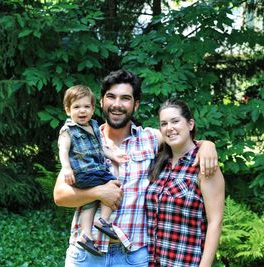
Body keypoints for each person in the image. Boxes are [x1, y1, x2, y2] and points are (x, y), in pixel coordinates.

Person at [54, 70, 218, 267]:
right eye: (111, 97)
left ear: (135, 104)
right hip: (86, 256)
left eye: (125, 98)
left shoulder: (150, 139)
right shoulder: (82, 138)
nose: (117, 104)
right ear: (101, 102)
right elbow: (60, 195)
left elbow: (181, 137)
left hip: (132, 256)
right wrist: (98, 192)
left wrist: (208, 145)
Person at [146, 99, 225, 267]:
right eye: (164, 124)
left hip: (186, 262)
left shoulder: (204, 164)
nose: (169, 128)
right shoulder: (158, 160)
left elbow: (215, 222)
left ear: (190, 124)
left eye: (175, 121)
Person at [58, 85, 128, 256]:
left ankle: (85, 235)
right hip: (85, 171)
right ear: (68, 110)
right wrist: (66, 168)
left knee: (89, 201)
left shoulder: (94, 126)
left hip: (94, 171)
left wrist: (113, 155)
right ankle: (104, 221)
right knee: (114, 186)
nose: (82, 111)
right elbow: (63, 149)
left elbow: (99, 148)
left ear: (93, 108)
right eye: (76, 107)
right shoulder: (68, 130)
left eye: (86, 106)